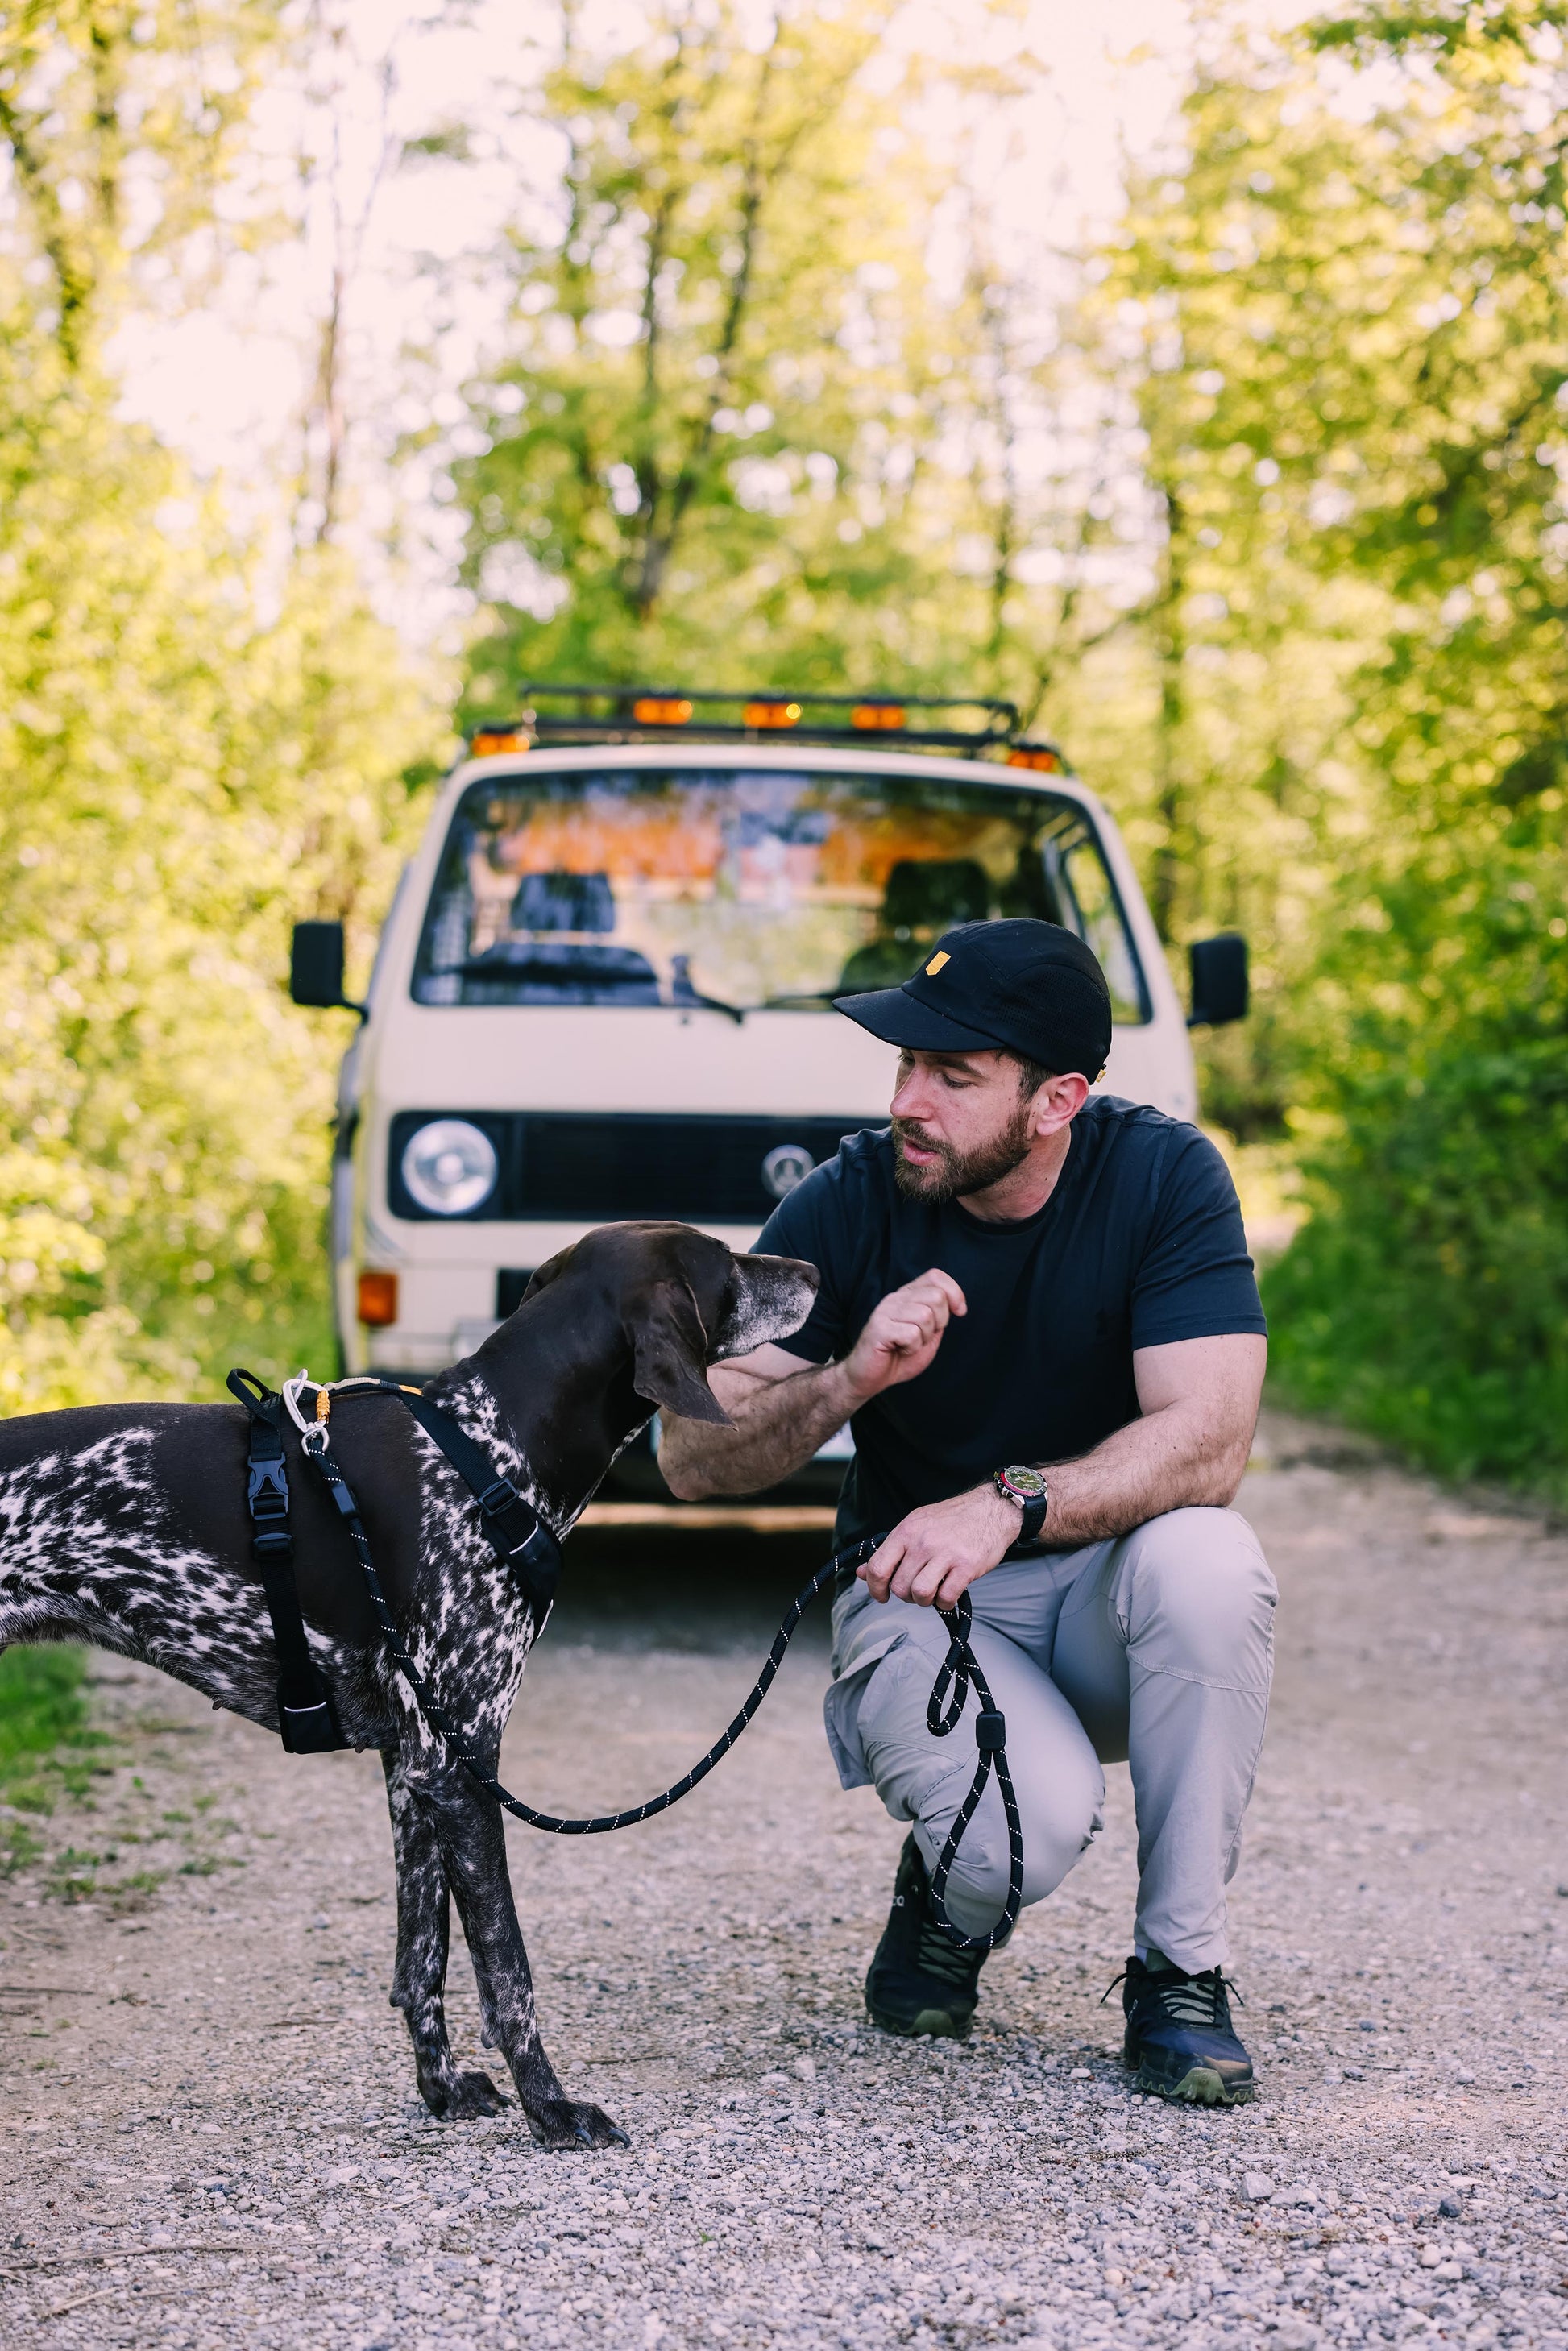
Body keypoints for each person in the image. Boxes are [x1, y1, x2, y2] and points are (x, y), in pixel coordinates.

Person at [658, 917, 1275, 2106]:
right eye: (902, 1065)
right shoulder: (849, 1198)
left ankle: (1180, 1973)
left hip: (1100, 1591)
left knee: (1211, 1559)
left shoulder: (1162, 1177)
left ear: (1056, 1100)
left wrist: (1009, 1501)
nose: (908, 1100)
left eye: (951, 1074)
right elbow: (690, 1456)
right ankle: (950, 1894)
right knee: (1013, 1836)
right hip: (920, 1603)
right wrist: (844, 1380)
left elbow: (1210, 1435)